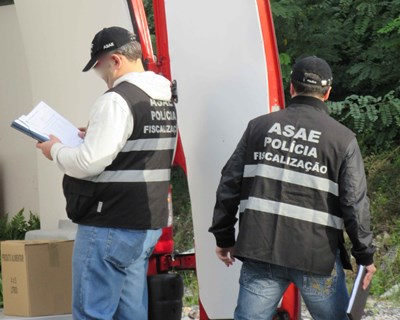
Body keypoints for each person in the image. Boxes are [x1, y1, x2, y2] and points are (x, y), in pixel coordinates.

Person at [209, 56, 376, 320]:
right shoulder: (342, 139)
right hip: (316, 256)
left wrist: (224, 236)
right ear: (328, 92)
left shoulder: (259, 127)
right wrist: (364, 255)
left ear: (291, 87)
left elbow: (229, 183)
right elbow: (355, 204)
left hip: (261, 250)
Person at [36, 26, 177, 320]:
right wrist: (100, 134)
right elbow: (144, 150)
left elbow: (89, 163)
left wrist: (55, 150)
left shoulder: (116, 100)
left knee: (92, 312)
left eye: (100, 68)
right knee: (131, 313)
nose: (102, 76)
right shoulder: (163, 98)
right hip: (146, 222)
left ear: (115, 60)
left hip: (109, 222)